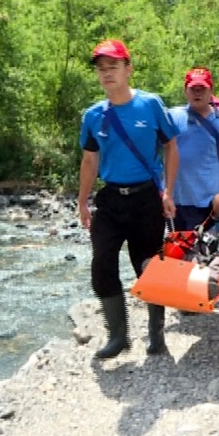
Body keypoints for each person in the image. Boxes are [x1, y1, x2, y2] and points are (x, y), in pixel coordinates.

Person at [78, 39, 180, 359]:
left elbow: (171, 146)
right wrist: (82, 201)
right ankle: (118, 336)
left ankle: (156, 334)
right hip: (110, 199)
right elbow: (89, 161)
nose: (106, 73)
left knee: (148, 267)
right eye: (101, 68)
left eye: (113, 67)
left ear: (128, 69)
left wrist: (169, 191)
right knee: (101, 265)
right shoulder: (93, 115)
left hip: (146, 198)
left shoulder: (150, 105)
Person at [169, 67, 219, 232]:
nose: (197, 93)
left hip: (209, 203)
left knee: (206, 254)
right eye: (193, 89)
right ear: (185, 91)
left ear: (211, 91)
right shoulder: (172, 118)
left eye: (202, 89)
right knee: (177, 255)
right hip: (177, 202)